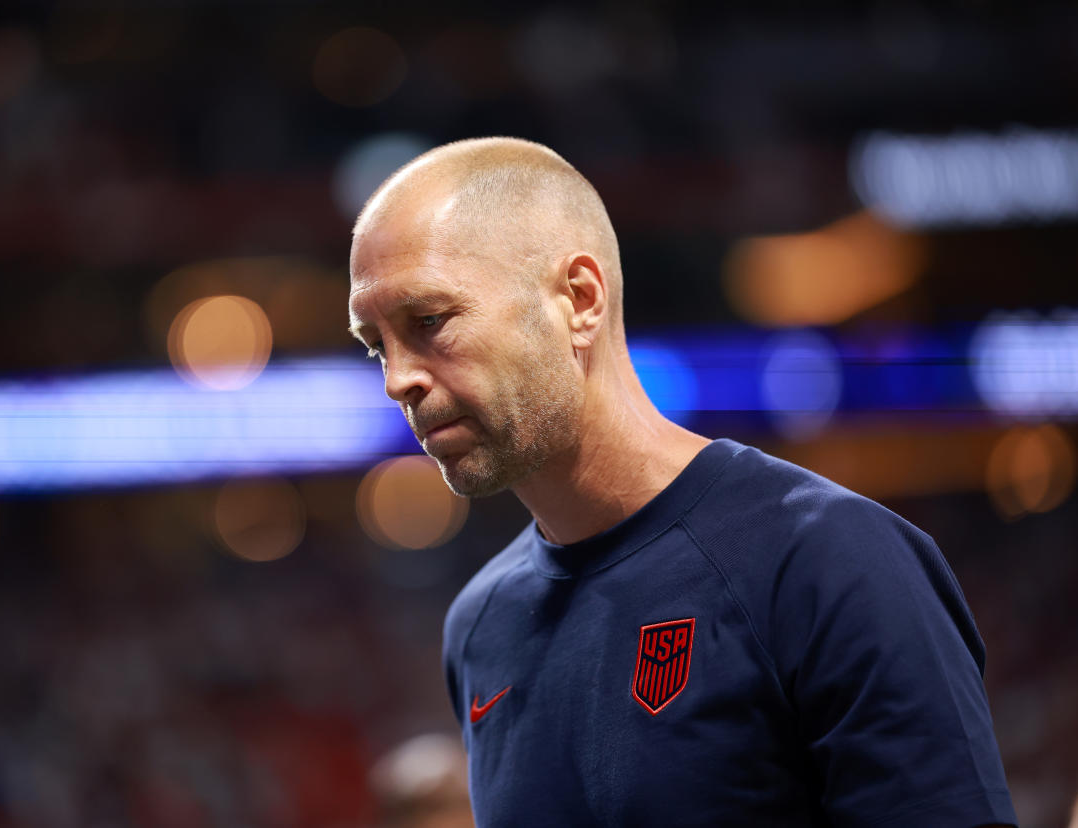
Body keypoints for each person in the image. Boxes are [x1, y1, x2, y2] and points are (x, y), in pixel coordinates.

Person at [347, 136, 1017, 827]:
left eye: (429, 322)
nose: (399, 378)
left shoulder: (828, 560)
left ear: (579, 299)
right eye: (377, 346)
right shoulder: (479, 627)